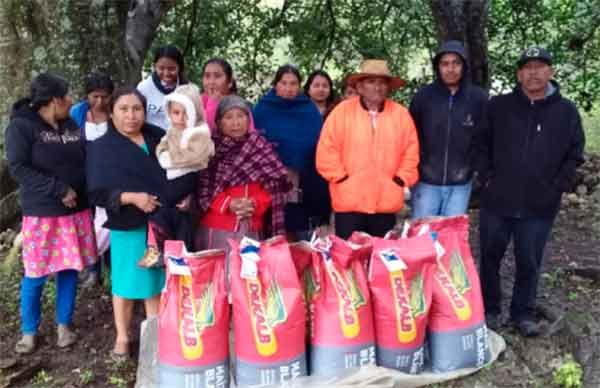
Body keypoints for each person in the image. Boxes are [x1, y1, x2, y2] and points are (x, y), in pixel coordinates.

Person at [477, 47, 585, 337]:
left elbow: (575, 154)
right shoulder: (498, 106)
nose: (533, 72)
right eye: (527, 67)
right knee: (489, 257)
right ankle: (489, 309)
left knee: (529, 260)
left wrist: (557, 187)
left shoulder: (566, 111)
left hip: (539, 205)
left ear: (550, 72)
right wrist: (486, 178)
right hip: (497, 200)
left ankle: (522, 313)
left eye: (540, 66)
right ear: (518, 74)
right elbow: (481, 144)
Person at [5, 73, 98, 354]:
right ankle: (29, 331)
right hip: (43, 214)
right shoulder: (21, 127)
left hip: (75, 212)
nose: (72, 101)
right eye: (67, 96)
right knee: (35, 273)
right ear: (54, 100)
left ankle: (63, 325)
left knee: (68, 269)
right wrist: (58, 189)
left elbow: (84, 157)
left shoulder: (69, 124)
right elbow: (18, 167)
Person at [86, 87, 169, 357]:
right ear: (111, 113)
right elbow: (96, 192)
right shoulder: (101, 148)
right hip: (127, 223)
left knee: (155, 280)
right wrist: (131, 197)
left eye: (137, 109)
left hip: (159, 221)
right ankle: (123, 336)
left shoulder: (158, 137)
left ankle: (154, 338)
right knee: (124, 282)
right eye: (124, 109)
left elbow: (177, 171)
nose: (131, 116)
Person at [316, 59, 419, 239]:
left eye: (382, 83)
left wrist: (400, 179)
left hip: (385, 202)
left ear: (388, 87)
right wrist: (342, 178)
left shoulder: (401, 115)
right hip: (349, 202)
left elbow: (411, 152)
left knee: (381, 259)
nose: (377, 87)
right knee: (349, 260)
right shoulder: (341, 112)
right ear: (360, 87)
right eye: (371, 82)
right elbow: (326, 150)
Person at [195, 95, 290, 256]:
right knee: (220, 277)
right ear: (219, 122)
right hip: (217, 228)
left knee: (248, 277)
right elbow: (203, 189)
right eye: (229, 117)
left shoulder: (261, 148)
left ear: (248, 120)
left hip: (252, 227)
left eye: (241, 116)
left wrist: (253, 203)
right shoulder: (210, 150)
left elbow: (273, 188)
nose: (236, 123)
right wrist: (229, 204)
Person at [409, 40, 488, 219]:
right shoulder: (423, 97)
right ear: (438, 67)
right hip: (426, 181)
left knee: (450, 237)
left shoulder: (478, 98)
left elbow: (485, 139)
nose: (450, 69)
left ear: (464, 67)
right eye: (445, 64)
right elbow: (410, 136)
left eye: (456, 63)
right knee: (423, 236)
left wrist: (477, 172)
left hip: (461, 183)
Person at [138, 83, 214, 266]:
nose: (180, 118)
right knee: (161, 209)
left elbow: (196, 157)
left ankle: (168, 253)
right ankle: (159, 250)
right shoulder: (171, 131)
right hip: (171, 180)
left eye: (185, 112)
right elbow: (161, 148)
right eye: (175, 112)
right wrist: (165, 155)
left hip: (188, 179)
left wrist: (169, 160)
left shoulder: (199, 131)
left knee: (172, 210)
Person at [253, 64, 331, 239]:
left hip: (302, 179)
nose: (288, 88)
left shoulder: (308, 109)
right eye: (284, 83)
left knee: (299, 228)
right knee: (271, 230)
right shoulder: (263, 108)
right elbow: (256, 141)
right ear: (276, 85)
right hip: (268, 179)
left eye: (293, 83)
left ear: (299, 86)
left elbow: (318, 142)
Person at [70, 71, 115, 286]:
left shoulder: (116, 113)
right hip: (83, 178)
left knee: (109, 223)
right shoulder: (77, 114)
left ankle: (112, 268)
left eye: (104, 96)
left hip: (110, 178)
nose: (99, 101)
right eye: (94, 96)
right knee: (88, 224)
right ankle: (92, 269)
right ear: (87, 96)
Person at [137, 45, 187, 130]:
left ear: (180, 67)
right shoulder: (143, 88)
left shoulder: (187, 89)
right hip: (150, 138)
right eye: (161, 68)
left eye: (171, 69)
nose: (166, 73)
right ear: (155, 66)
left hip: (177, 139)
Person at [201, 58, 237, 131]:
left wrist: (212, 103)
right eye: (207, 76)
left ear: (230, 82)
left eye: (217, 76)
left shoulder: (238, 105)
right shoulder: (197, 102)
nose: (211, 82)